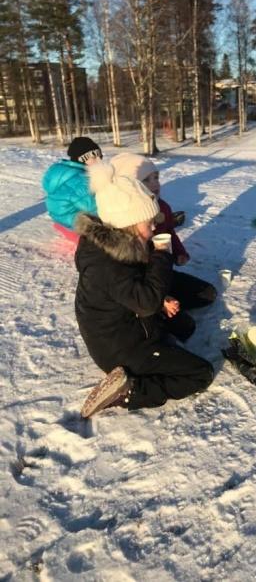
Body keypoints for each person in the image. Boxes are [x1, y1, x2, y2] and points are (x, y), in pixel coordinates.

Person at [75, 162, 213, 418]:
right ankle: (129, 389)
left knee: (186, 327)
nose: (153, 228)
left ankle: (152, 353)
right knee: (200, 373)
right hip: (117, 347)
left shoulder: (123, 244)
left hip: (128, 323)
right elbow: (145, 301)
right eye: (148, 223)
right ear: (128, 223)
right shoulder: (108, 265)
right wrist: (162, 256)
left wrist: (163, 298)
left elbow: (136, 291)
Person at [110, 152, 217, 311]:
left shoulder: (163, 207)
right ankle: (156, 307)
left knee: (208, 294)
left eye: (156, 177)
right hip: (136, 284)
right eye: (146, 180)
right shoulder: (120, 218)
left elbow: (169, 232)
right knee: (183, 325)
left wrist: (179, 252)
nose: (155, 184)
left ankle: (162, 302)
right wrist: (158, 300)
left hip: (160, 272)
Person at [42, 137, 103, 232]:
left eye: (100, 156)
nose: (99, 160)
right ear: (81, 159)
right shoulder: (80, 179)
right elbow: (94, 209)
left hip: (60, 217)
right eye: (94, 157)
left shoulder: (64, 171)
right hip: (74, 223)